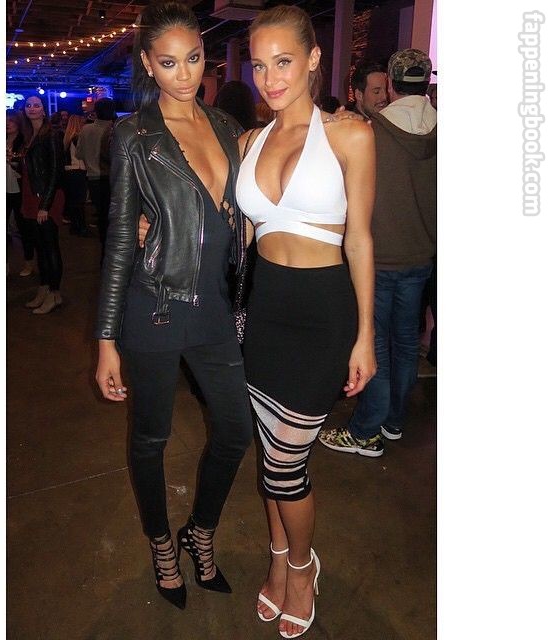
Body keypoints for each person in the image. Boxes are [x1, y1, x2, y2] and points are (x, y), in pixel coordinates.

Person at [94, 1, 253, 612]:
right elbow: (118, 238)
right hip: (154, 307)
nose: (184, 74)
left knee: (234, 430)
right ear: (147, 64)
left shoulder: (226, 127)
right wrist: (106, 339)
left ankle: (200, 531)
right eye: (169, 63)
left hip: (213, 308)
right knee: (151, 437)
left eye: (193, 58)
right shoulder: (134, 135)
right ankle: (162, 543)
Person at [236, 6, 376, 637]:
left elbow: (361, 239)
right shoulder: (249, 142)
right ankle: (276, 557)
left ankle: (300, 565)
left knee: (285, 465)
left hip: (323, 315)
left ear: (314, 58)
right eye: (259, 65)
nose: (270, 79)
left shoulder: (350, 135)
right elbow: (239, 235)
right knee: (271, 454)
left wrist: (366, 334)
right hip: (263, 314)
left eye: (284, 61)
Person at [319, 48, 436, 455]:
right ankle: (394, 420)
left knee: (375, 346)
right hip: (421, 257)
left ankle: (366, 430)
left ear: (390, 82)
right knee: (406, 343)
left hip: (378, 258)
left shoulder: (371, 131)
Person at [19, 94, 66, 314]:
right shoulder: (29, 135)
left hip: (46, 197)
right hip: (31, 195)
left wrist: (45, 205)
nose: (32, 108)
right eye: (28, 105)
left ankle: (55, 294)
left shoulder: (52, 134)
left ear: (44, 109)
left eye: (36, 105)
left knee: (50, 246)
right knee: (39, 246)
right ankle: (44, 288)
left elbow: (56, 171)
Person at [76, 97, 115, 261]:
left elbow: (79, 154)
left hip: (93, 178)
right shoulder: (116, 129)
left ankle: (105, 253)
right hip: (114, 178)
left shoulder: (86, 130)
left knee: (102, 216)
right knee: (116, 217)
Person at [6, 109, 35, 276]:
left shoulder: (24, 142)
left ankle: (28, 262)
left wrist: (15, 163)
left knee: (24, 228)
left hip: (18, 190)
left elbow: (28, 169)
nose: (7, 123)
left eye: (10, 120)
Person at [62, 114, 89, 236]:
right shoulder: (77, 137)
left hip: (69, 171)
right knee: (79, 202)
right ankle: (81, 227)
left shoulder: (67, 138)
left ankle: (75, 226)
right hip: (78, 170)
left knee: (73, 201)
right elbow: (81, 155)